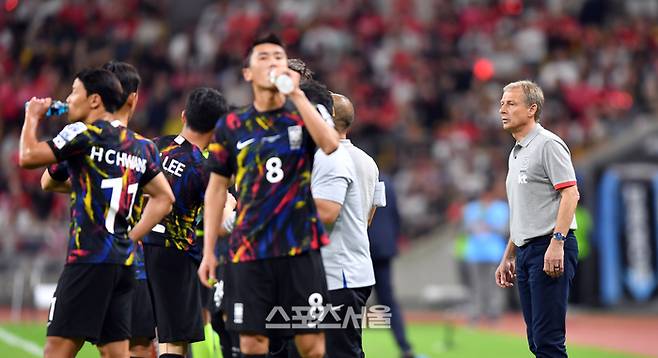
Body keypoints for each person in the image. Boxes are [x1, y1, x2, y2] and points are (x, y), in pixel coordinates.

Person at [198, 33, 339, 358]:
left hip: (299, 248)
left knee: (312, 347)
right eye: (263, 57)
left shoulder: (300, 115)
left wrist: (298, 96)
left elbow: (330, 144)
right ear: (248, 73)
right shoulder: (231, 126)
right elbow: (216, 190)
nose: (273, 61)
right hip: (249, 251)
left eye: (278, 56)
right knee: (252, 344)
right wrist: (208, 252)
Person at [19, 68, 174, 358]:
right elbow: (165, 197)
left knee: (56, 351)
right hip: (124, 263)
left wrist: (33, 116)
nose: (68, 98)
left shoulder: (84, 135)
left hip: (88, 259)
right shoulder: (140, 146)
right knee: (117, 353)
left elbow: (28, 158)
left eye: (74, 91)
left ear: (94, 100)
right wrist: (131, 237)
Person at [142, 87, 229, 358]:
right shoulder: (203, 170)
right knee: (174, 340)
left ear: (183, 116)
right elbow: (224, 220)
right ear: (216, 131)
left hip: (137, 250)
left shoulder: (152, 146)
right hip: (174, 255)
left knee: (139, 339)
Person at [495, 80, 579, 357]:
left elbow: (571, 194)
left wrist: (558, 243)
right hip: (526, 250)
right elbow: (524, 210)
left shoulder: (548, 144)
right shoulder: (517, 152)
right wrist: (509, 254)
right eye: (502, 103)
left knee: (548, 341)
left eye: (510, 103)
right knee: (536, 341)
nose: (502, 109)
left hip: (549, 247)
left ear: (532, 109)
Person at [306, 81, 383, 358]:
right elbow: (369, 215)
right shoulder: (368, 161)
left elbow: (326, 214)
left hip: (335, 272)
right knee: (345, 347)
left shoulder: (325, 158)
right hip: (357, 267)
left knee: (335, 350)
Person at [368, 173, 415, 358]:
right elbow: (395, 214)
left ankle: (345, 348)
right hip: (384, 248)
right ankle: (405, 347)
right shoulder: (386, 181)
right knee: (388, 299)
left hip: (361, 247)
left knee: (350, 300)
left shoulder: (351, 173)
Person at [462, 181, 508, 324]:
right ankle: (476, 313)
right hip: (475, 252)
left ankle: (493, 313)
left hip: (494, 252)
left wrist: (490, 226)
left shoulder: (502, 208)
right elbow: (464, 229)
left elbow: (506, 230)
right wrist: (476, 226)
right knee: (476, 285)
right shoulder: (471, 208)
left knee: (494, 284)